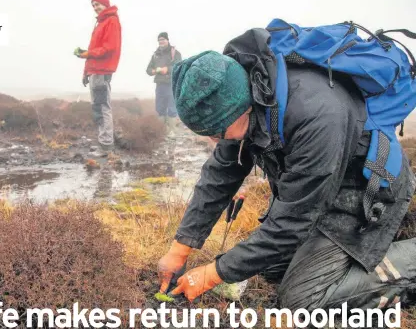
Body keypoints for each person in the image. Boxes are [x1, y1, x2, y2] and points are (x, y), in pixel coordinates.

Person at [157, 28, 416, 311]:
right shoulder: (247, 97)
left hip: (365, 194)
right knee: (270, 268)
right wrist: (179, 249)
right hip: (321, 186)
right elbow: (219, 176)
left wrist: (213, 274)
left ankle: (406, 258)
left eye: (217, 132)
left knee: (302, 301)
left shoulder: (317, 114)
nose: (213, 140)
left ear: (239, 110)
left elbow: (292, 222)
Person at [74, 0, 122, 158]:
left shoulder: (111, 21)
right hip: (95, 71)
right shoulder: (101, 22)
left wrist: (88, 54)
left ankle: (106, 146)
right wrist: (86, 71)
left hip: (102, 71)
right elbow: (94, 50)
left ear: (106, 4)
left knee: (102, 107)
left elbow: (109, 47)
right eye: (93, 5)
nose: (95, 7)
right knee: (98, 107)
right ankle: (104, 143)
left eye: (98, 4)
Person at [146, 32, 182, 135]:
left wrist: (167, 69)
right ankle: (161, 131)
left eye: (163, 39)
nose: (161, 42)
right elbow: (148, 69)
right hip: (159, 84)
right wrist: (153, 71)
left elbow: (179, 66)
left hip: (171, 84)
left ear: (167, 40)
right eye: (159, 40)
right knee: (159, 108)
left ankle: (172, 131)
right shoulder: (155, 54)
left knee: (171, 107)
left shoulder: (175, 53)